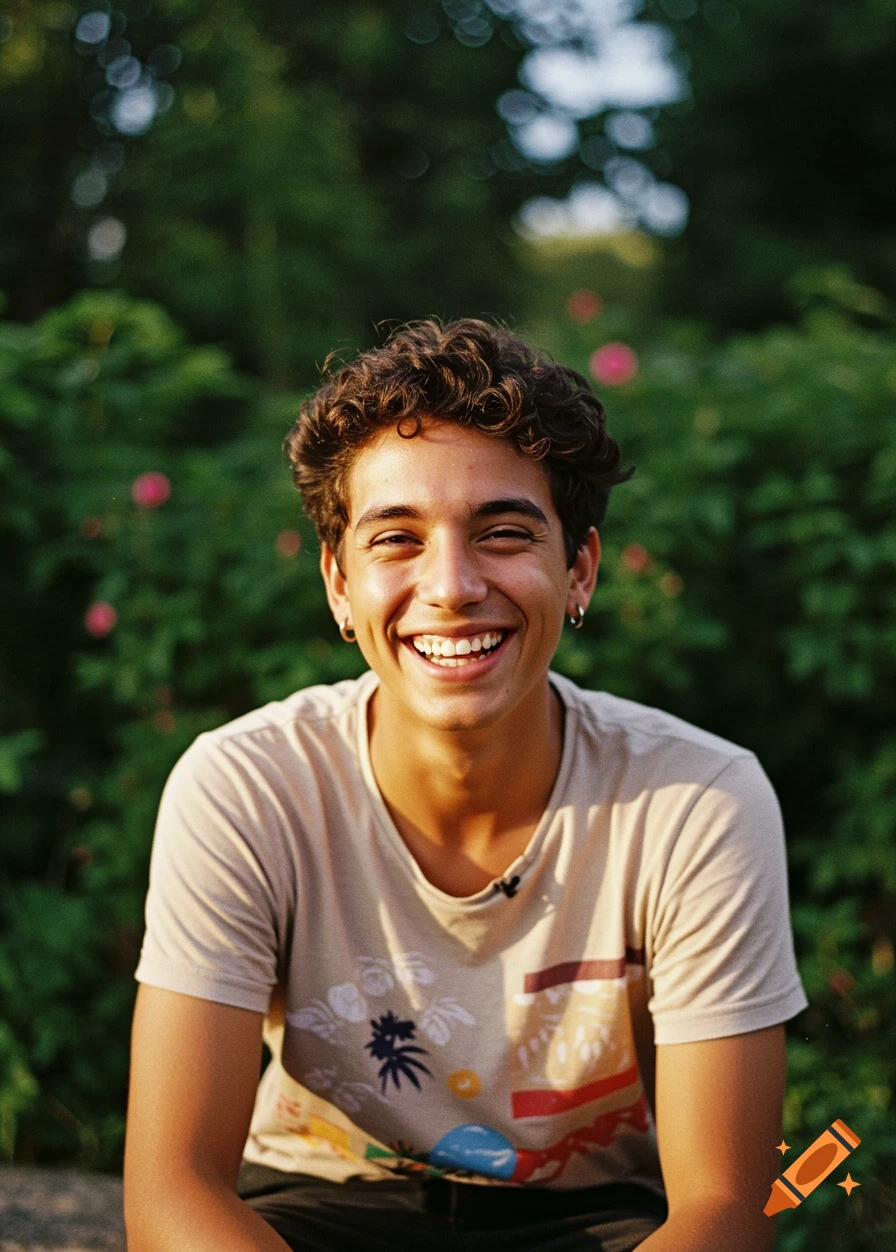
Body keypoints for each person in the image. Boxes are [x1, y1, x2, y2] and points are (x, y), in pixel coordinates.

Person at [124, 319, 807, 1252]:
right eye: (396, 538)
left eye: (504, 532)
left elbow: (725, 1207)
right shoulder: (248, 786)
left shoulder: (699, 802)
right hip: (314, 1206)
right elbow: (172, 1187)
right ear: (337, 583)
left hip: (588, 1222)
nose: (449, 585)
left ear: (580, 570)